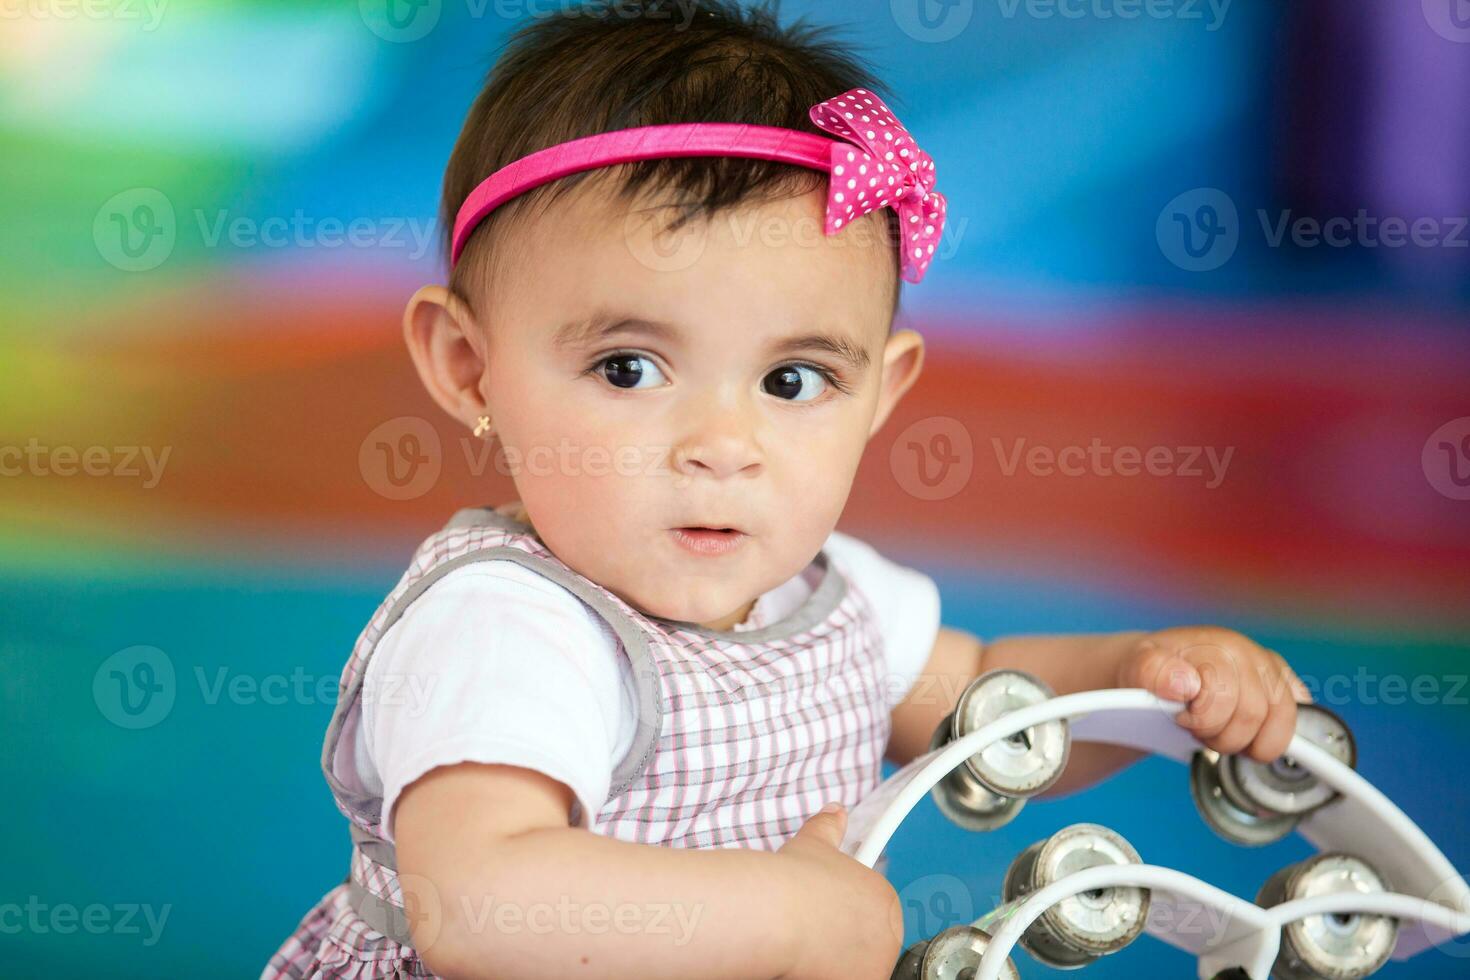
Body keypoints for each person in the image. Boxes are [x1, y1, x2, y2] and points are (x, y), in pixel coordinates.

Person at [264, 3, 1312, 977]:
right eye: (628, 366)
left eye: (791, 381)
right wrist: (791, 913)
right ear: (466, 365)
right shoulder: (511, 625)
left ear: (880, 391)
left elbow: (989, 705)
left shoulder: (829, 594)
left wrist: (1144, 680)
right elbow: (478, 902)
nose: (724, 444)